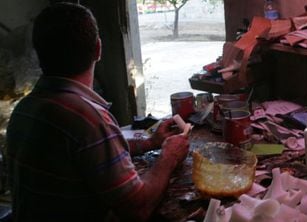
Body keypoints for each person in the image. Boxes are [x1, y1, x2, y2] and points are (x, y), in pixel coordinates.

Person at [6, 2, 189, 222]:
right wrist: (168, 157)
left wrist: (150, 143)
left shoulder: (23, 110)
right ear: (98, 49)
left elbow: (89, 154)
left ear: (39, 53)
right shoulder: (88, 119)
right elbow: (138, 208)